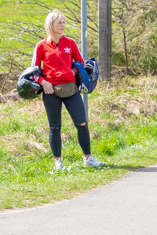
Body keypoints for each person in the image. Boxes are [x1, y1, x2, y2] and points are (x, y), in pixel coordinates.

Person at [31, 10, 103, 170]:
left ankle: (88, 158)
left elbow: (82, 64)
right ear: (51, 25)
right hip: (51, 92)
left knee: (82, 123)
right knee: (54, 127)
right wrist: (43, 83)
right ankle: (58, 163)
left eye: (64, 22)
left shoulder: (70, 43)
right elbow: (33, 71)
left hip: (71, 89)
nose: (63, 25)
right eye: (59, 22)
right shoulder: (41, 46)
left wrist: (74, 72)